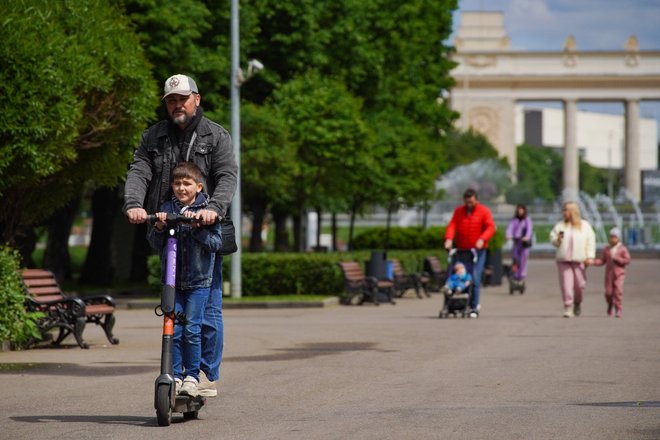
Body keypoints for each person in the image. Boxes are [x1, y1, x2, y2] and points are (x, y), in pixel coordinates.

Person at [124, 74, 238, 397]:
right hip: (167, 229)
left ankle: (204, 375)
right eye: (171, 100)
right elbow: (139, 171)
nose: (177, 105)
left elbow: (227, 175)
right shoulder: (154, 137)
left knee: (207, 310)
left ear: (196, 100)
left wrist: (213, 208)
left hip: (204, 233)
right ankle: (175, 373)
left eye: (182, 99)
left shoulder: (215, 136)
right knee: (173, 308)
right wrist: (134, 204)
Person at [147, 162, 222, 396]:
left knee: (192, 329)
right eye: (177, 183)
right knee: (174, 330)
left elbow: (216, 244)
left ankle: (192, 376)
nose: (181, 188)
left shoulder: (208, 210)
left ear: (198, 186)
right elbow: (155, 243)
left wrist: (199, 226)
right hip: (172, 283)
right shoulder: (167, 208)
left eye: (187, 183)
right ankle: (176, 376)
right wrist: (159, 226)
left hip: (199, 284)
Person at [444, 188, 496, 318]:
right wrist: (449, 239)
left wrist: (482, 239)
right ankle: (454, 304)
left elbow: (491, 227)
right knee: (458, 275)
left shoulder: (484, 211)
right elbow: (452, 225)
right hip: (462, 250)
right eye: (467, 202)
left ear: (476, 200)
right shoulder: (459, 211)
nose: (469, 205)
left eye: (471, 202)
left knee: (475, 277)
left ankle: (474, 306)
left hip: (477, 250)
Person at [549, 201, 596, 318]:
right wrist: (557, 240)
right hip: (564, 260)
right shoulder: (561, 226)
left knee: (580, 285)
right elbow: (553, 238)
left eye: (566, 210)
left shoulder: (584, 226)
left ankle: (577, 302)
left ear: (572, 212)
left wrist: (590, 256)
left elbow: (590, 241)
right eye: (563, 210)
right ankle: (568, 307)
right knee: (566, 284)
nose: (564, 212)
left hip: (579, 260)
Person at [590, 227, 631, 318]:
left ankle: (618, 308)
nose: (612, 239)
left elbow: (627, 260)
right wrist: (593, 262)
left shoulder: (622, 249)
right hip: (609, 275)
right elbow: (602, 261)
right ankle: (610, 304)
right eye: (611, 237)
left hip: (619, 274)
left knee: (618, 291)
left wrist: (617, 258)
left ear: (618, 238)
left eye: (614, 237)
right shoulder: (607, 249)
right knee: (608, 293)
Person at [505, 204, 533, 285]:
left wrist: (527, 237)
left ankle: (521, 276)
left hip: (524, 243)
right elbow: (510, 228)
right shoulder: (514, 220)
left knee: (523, 259)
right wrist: (508, 234)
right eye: (518, 210)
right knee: (515, 259)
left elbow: (529, 229)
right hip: (516, 241)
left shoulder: (527, 219)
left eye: (521, 210)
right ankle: (515, 275)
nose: (520, 211)